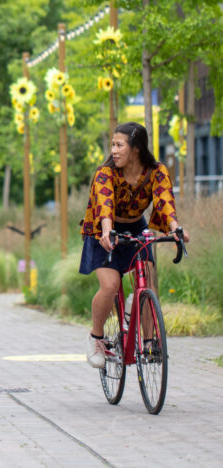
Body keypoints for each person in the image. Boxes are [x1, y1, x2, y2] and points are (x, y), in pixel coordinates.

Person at [79, 121, 190, 368]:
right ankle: (96, 338)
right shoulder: (105, 173)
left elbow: (164, 200)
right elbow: (104, 203)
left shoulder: (156, 171)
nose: (114, 150)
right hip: (103, 228)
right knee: (110, 285)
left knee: (148, 277)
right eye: (113, 145)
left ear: (136, 148)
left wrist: (175, 228)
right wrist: (108, 231)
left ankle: (149, 341)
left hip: (136, 227)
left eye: (119, 145)